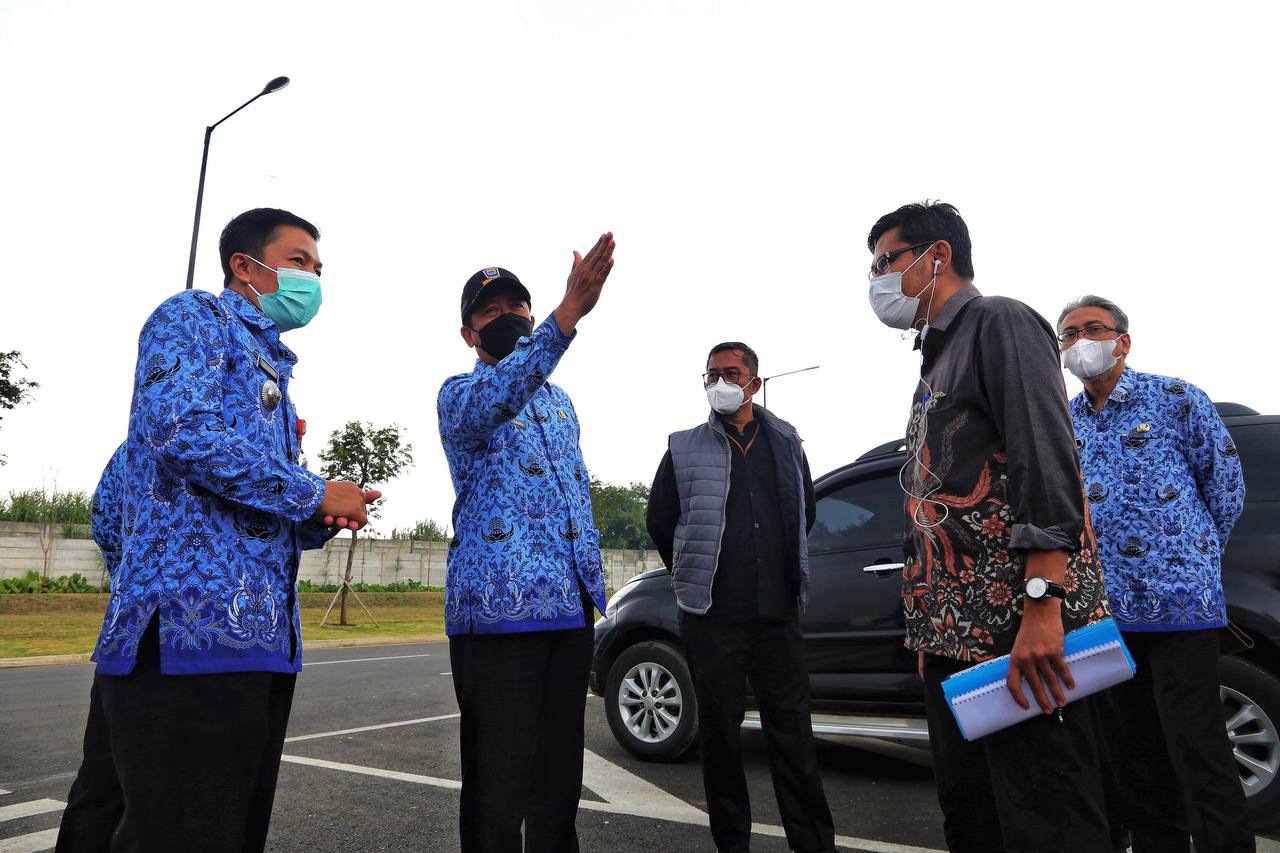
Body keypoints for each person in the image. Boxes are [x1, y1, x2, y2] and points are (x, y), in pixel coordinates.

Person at [56, 208, 378, 853]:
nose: (312, 279)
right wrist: (311, 492)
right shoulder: (195, 318)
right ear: (244, 265)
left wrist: (317, 517)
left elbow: (152, 494)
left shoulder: (273, 377)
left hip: (251, 637)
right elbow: (177, 432)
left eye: (318, 268)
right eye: (298, 262)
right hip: (189, 640)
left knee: (192, 821)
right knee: (184, 830)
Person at [866, 201, 1112, 853]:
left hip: (1018, 636)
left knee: (1045, 814)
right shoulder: (935, 360)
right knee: (973, 815)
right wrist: (931, 625)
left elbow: (1047, 462)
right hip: (956, 642)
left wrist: (1042, 606)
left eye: (885, 262)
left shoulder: (998, 322)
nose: (876, 281)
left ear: (935, 256)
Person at [437, 233, 615, 852]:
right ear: (469, 334)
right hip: (498, 613)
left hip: (569, 609)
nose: (508, 317)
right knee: (497, 781)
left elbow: (574, 494)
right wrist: (566, 318)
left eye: (520, 307)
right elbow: (502, 394)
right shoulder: (460, 395)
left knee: (558, 780)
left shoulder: (561, 402)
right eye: (491, 311)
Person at [1057, 295, 1252, 853]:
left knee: (1198, 748)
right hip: (1107, 614)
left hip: (1182, 609)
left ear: (1123, 339)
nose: (1081, 342)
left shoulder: (1175, 399)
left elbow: (1225, 487)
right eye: (1069, 334)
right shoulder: (1063, 420)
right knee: (1133, 754)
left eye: (1093, 329)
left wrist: (1193, 559)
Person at [645, 341, 836, 853]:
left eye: (730, 373)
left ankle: (813, 842)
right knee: (722, 738)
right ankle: (732, 842)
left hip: (777, 613)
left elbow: (806, 513)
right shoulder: (684, 447)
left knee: (793, 735)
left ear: (753, 381)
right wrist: (692, 571)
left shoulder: (787, 441)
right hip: (713, 616)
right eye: (711, 376)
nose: (720, 384)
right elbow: (660, 521)